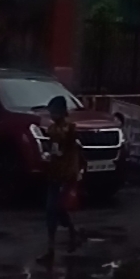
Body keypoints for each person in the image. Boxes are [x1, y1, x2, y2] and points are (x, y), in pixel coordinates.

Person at [38, 95, 82, 264]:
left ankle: (71, 233)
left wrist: (75, 173)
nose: (51, 115)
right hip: (55, 173)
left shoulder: (70, 129)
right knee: (51, 210)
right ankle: (53, 247)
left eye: (54, 112)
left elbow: (71, 148)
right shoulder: (52, 129)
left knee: (57, 208)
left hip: (66, 174)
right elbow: (53, 148)